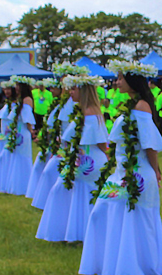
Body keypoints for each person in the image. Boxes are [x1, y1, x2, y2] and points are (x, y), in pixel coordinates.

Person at [79, 60, 162, 275]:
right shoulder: (131, 105)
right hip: (122, 172)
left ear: (132, 80)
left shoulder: (141, 106)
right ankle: (112, 265)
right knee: (103, 210)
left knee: (134, 218)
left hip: (138, 172)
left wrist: (156, 169)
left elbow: (149, 144)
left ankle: (138, 269)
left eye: (121, 78)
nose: (117, 81)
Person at [36, 75, 109, 243]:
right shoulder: (79, 110)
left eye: (74, 89)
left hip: (89, 160)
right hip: (80, 158)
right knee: (72, 194)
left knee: (75, 194)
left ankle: (75, 234)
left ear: (83, 91)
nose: (70, 92)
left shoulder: (90, 111)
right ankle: (72, 233)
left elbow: (99, 142)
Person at [31, 63, 88, 210]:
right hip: (62, 148)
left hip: (71, 150)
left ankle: (55, 206)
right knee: (48, 172)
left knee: (52, 173)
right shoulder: (63, 103)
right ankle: (50, 204)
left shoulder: (76, 103)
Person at [0, 76, 36, 195]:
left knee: (21, 158)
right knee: (8, 157)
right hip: (15, 132)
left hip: (23, 132)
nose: (15, 88)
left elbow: (27, 118)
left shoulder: (27, 99)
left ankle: (22, 187)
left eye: (17, 85)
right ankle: (10, 185)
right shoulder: (18, 99)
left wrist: (32, 132)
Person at [27, 79, 62, 199]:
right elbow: (47, 125)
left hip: (59, 145)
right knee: (39, 166)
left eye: (53, 88)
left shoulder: (64, 106)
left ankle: (46, 197)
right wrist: (41, 137)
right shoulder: (55, 105)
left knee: (48, 171)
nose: (51, 91)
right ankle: (38, 194)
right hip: (50, 142)